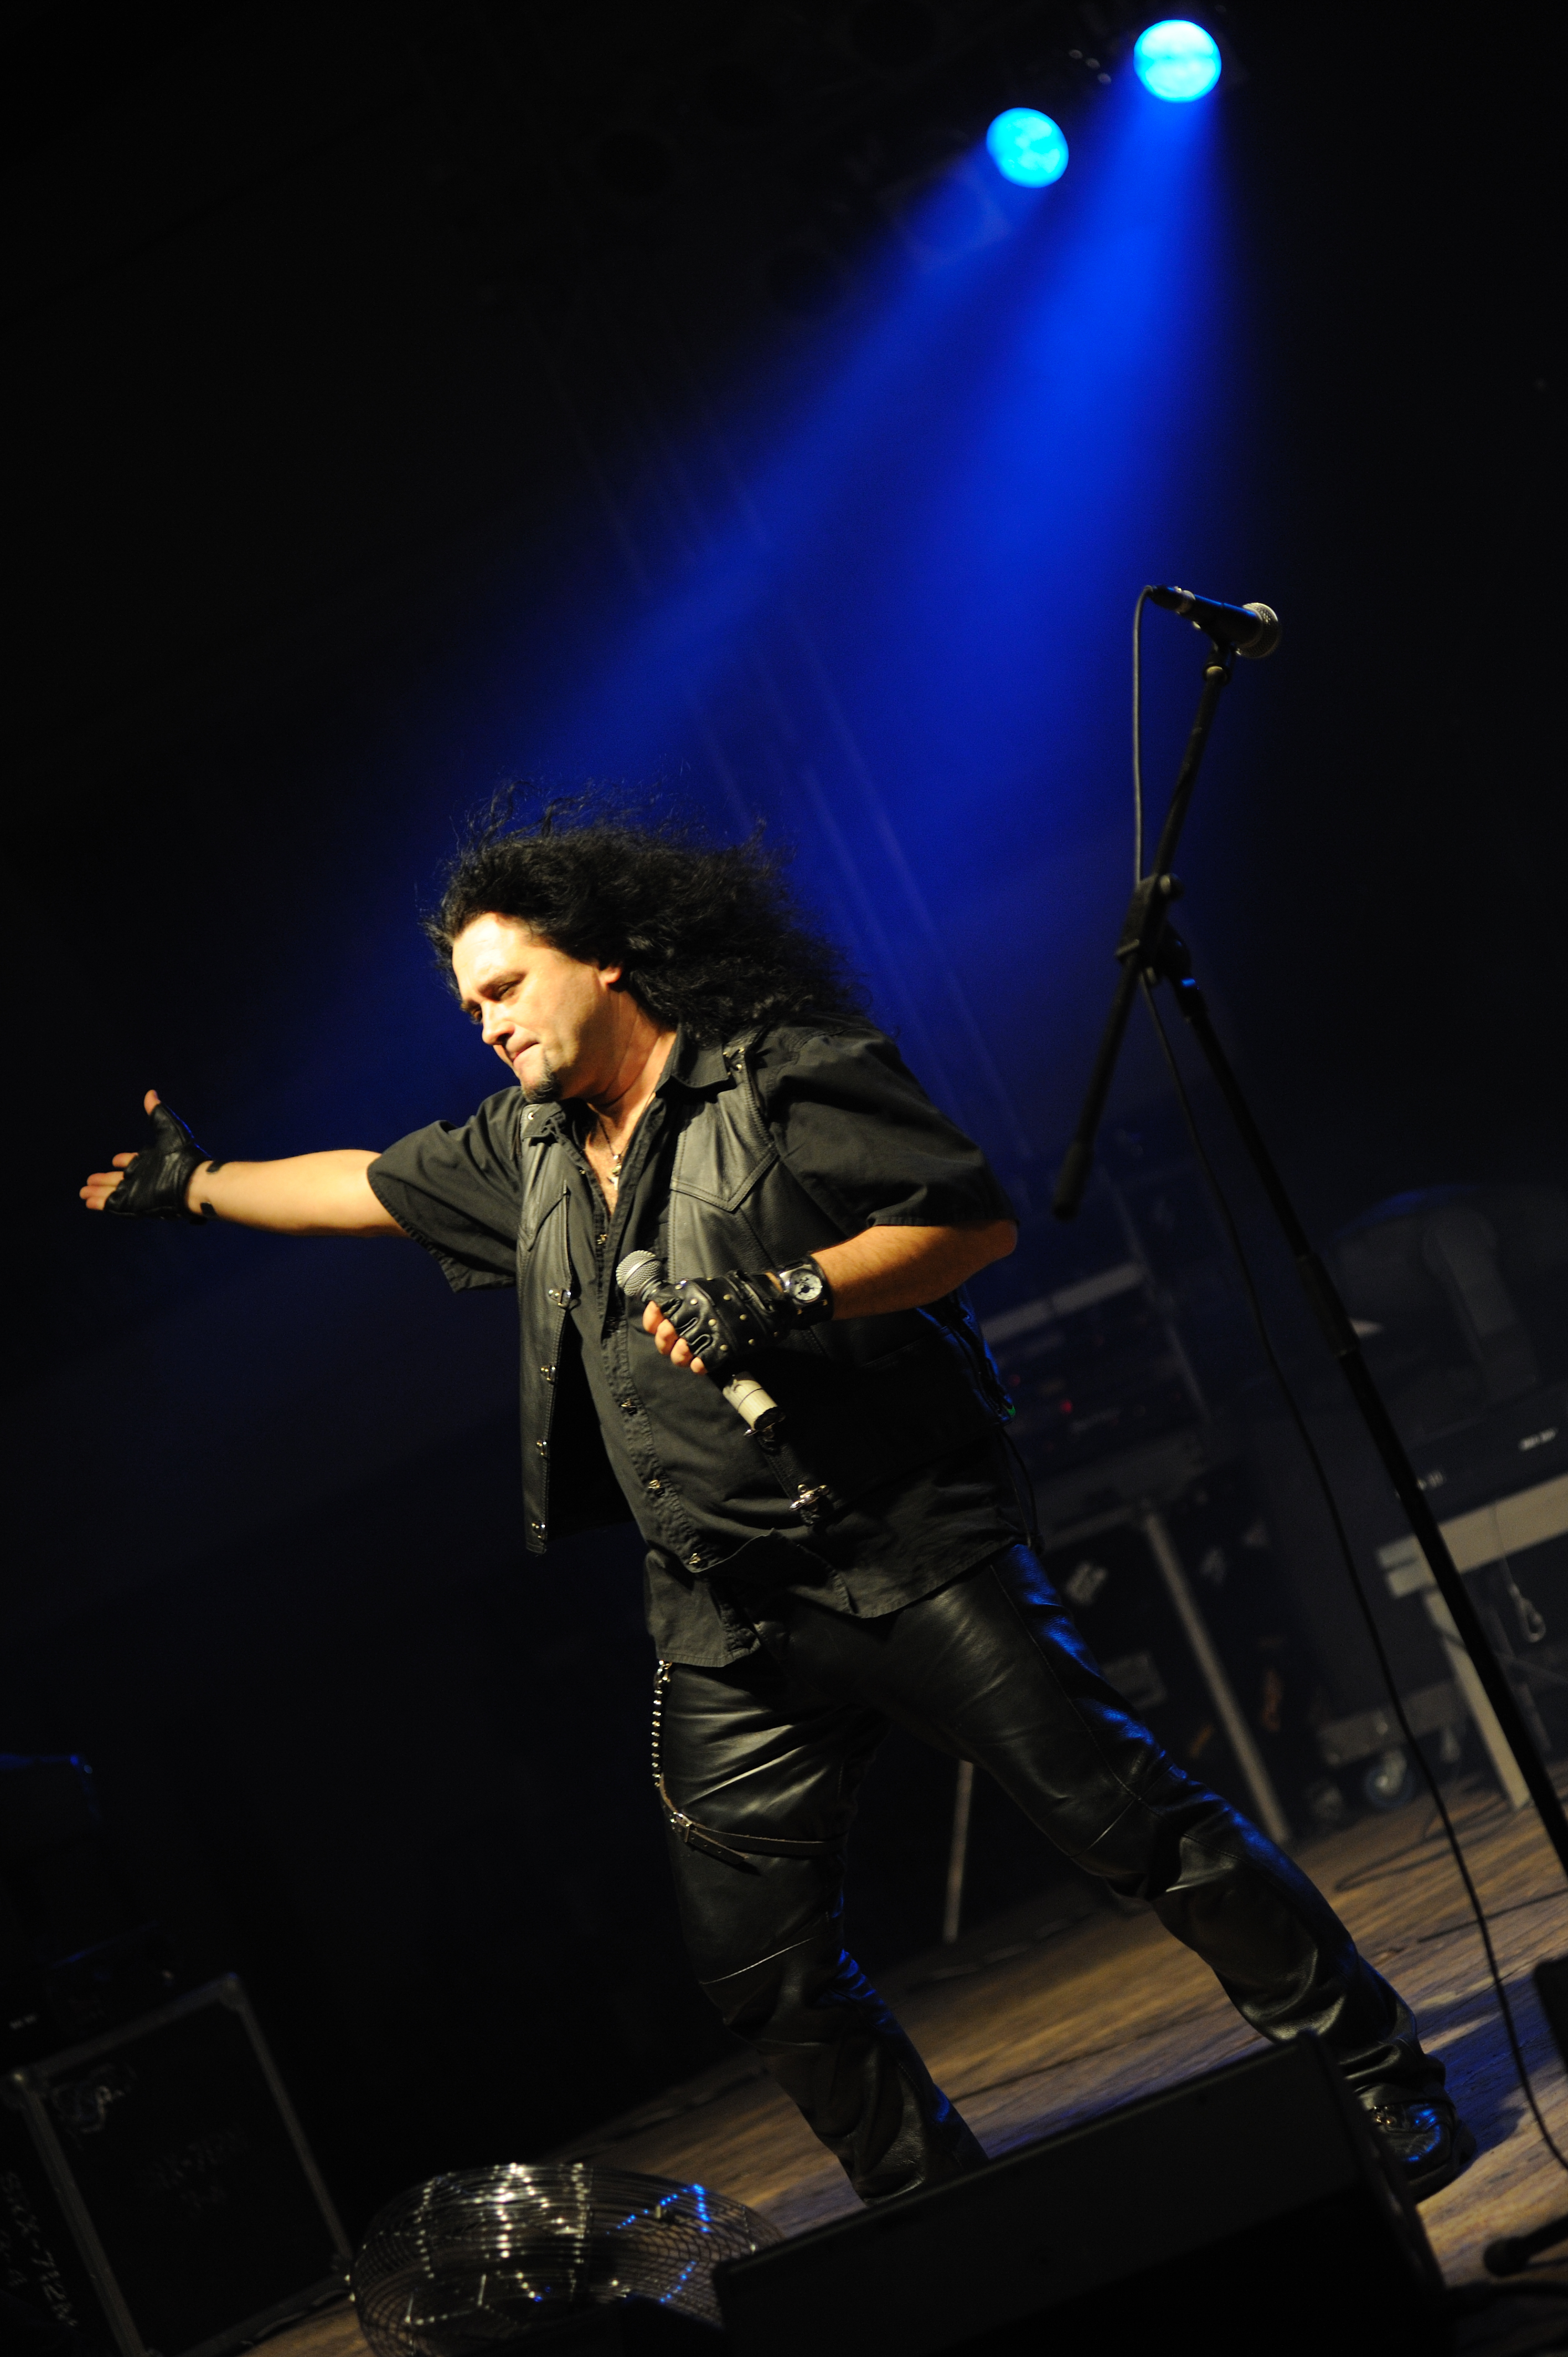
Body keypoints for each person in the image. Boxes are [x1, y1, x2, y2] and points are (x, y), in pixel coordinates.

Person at [81, 805, 1472, 2204]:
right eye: (470, 1007)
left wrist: (784, 1291)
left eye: (505, 986)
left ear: (606, 956)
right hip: (726, 1614)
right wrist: (198, 1186)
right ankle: (937, 2211)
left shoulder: (783, 1067)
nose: (488, 1024)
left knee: (1137, 1828)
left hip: (904, 1544)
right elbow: (365, 1188)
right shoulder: (530, 1149)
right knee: (756, 1966)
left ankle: (1378, 2075)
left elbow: (965, 1220)